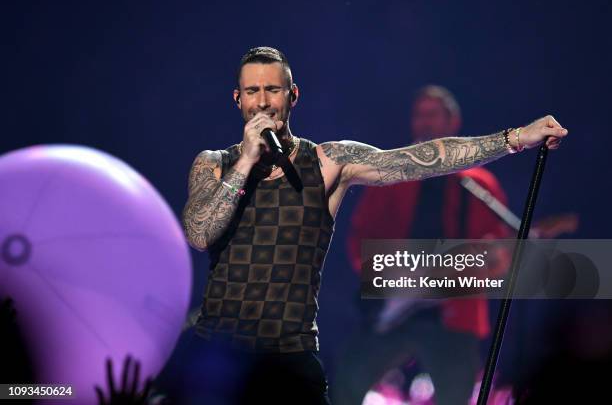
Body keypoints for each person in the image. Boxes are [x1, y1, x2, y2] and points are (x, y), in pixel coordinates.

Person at [180, 46, 567, 404]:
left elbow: (423, 158)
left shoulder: (329, 162)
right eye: (252, 91)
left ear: (292, 95)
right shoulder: (213, 164)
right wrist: (246, 162)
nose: (263, 102)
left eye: (272, 90)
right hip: (219, 352)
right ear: (238, 99)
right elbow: (199, 234)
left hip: (290, 353)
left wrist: (515, 138)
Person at [334, 85, 511, 405]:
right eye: (419, 115)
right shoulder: (390, 175)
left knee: (457, 394)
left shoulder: (479, 184)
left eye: (433, 114)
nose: (424, 122)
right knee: (346, 383)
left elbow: (495, 254)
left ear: (452, 122)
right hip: (393, 309)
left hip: (453, 314)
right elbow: (359, 240)